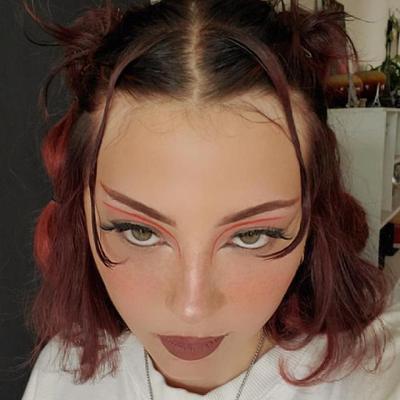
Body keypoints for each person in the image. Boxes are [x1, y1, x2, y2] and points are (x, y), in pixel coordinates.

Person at [20, 0, 400, 399]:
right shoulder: (64, 375)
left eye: (251, 236)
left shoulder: (375, 380)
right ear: (83, 211)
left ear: (312, 220)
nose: (192, 309)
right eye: (139, 232)